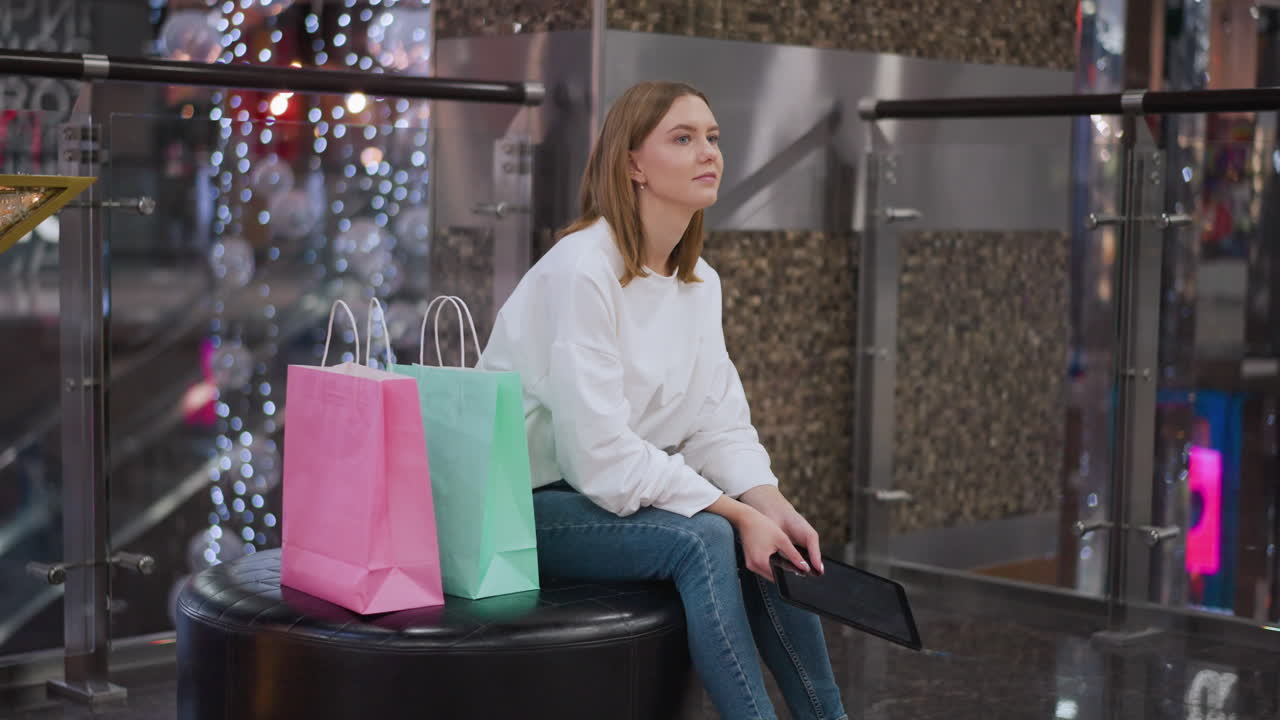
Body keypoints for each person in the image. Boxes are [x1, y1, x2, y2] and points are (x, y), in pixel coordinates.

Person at [480, 80, 847, 720]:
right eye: (683, 139)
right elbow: (599, 458)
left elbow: (717, 421)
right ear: (632, 164)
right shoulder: (582, 270)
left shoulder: (699, 282)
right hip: (520, 507)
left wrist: (771, 505)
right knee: (705, 537)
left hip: (593, 495)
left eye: (712, 137)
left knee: (767, 539)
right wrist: (735, 514)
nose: (708, 152)